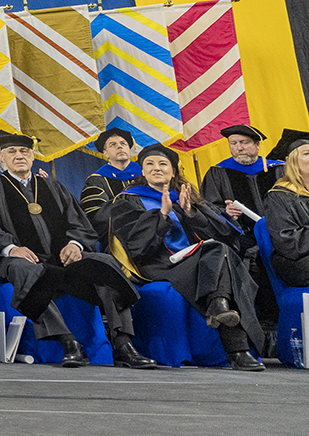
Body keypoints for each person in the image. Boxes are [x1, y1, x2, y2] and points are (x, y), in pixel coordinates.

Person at [0, 131, 155, 369]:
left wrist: (75, 244)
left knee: (106, 264)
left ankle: (124, 343)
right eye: (12, 152)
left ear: (33, 157)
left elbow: (79, 223)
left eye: (24, 151)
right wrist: (11, 248)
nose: (19, 156)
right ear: (2, 157)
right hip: (19, 259)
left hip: (61, 257)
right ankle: (67, 342)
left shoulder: (52, 186)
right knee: (24, 269)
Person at [108, 143, 265, 371]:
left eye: (163, 164)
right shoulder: (127, 200)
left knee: (220, 252)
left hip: (195, 261)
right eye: (149, 164)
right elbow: (136, 247)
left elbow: (225, 237)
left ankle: (219, 307)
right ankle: (237, 349)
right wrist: (161, 216)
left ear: (173, 171)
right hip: (157, 264)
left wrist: (191, 212)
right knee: (221, 260)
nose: (156, 168)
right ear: (141, 171)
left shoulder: (186, 197)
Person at [201, 124, 282, 232]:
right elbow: (209, 206)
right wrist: (226, 211)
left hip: (280, 232)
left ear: (257, 144)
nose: (239, 148)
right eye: (233, 143)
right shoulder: (217, 172)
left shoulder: (278, 169)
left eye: (244, 142)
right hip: (242, 236)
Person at [263, 130, 309, 286]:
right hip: (297, 263)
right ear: (291, 161)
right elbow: (287, 243)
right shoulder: (279, 196)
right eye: (307, 153)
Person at [80, 127, 141, 235]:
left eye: (123, 143)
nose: (120, 147)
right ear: (106, 153)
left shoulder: (144, 174)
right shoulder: (96, 180)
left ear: (129, 149)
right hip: (118, 235)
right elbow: (96, 215)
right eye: (113, 145)